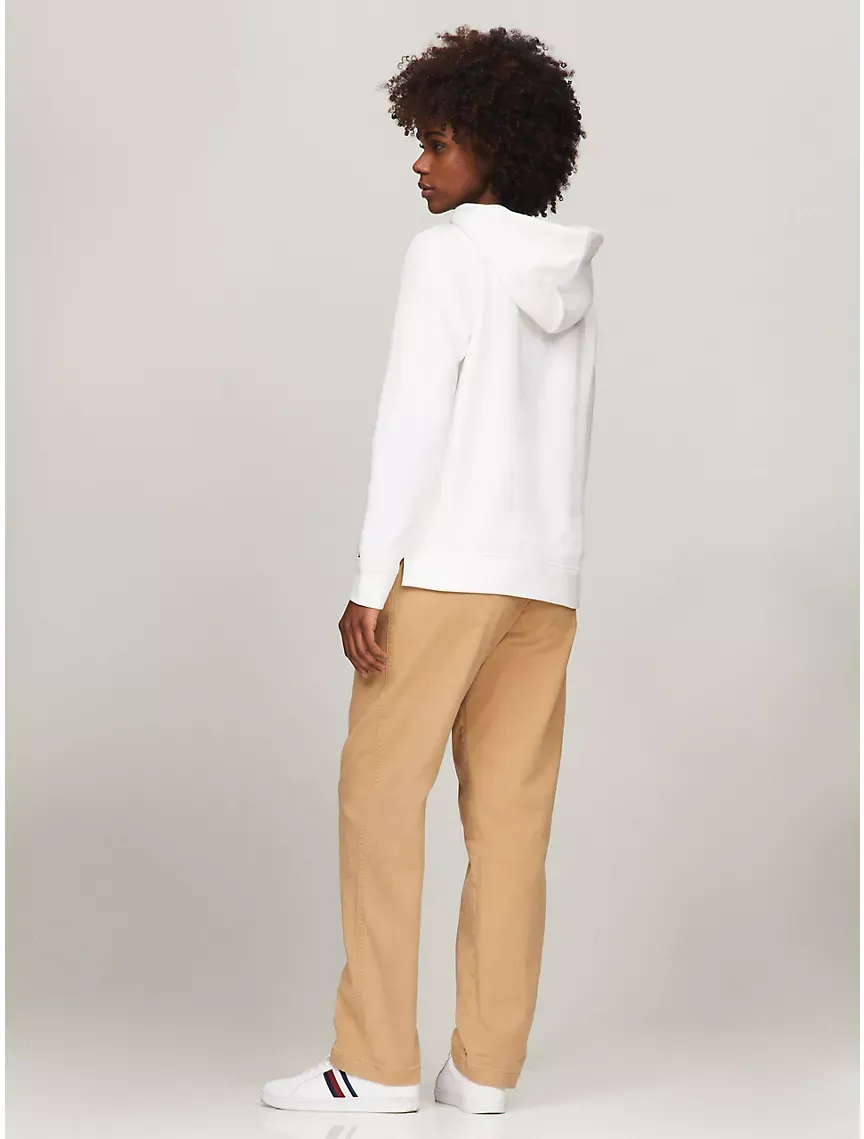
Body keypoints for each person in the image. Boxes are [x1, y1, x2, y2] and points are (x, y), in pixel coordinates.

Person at [261, 23, 603, 1116]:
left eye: (438, 141)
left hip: (447, 567)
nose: (419, 162)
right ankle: (486, 1070)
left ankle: (374, 1062)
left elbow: (410, 422)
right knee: (510, 824)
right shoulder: (568, 273)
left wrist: (372, 579)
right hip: (542, 583)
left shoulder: (447, 254)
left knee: (378, 795)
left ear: (493, 148)